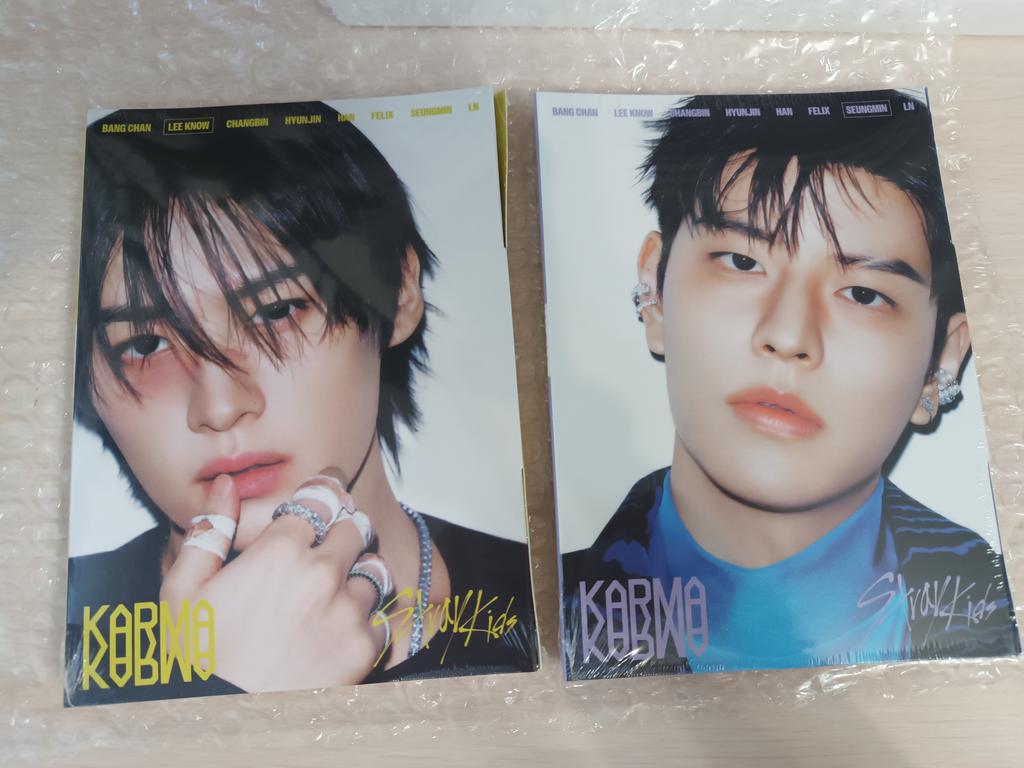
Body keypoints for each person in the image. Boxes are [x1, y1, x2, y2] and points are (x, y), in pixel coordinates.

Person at [65, 100, 537, 705]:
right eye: (145, 344)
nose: (220, 406)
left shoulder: (554, 601)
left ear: (398, 292)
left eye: (276, 310)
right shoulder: (50, 644)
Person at [562, 90, 1020, 677]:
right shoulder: (539, 617)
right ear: (655, 292)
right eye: (742, 262)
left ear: (940, 363)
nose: (787, 334)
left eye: (863, 294)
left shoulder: (995, 621)